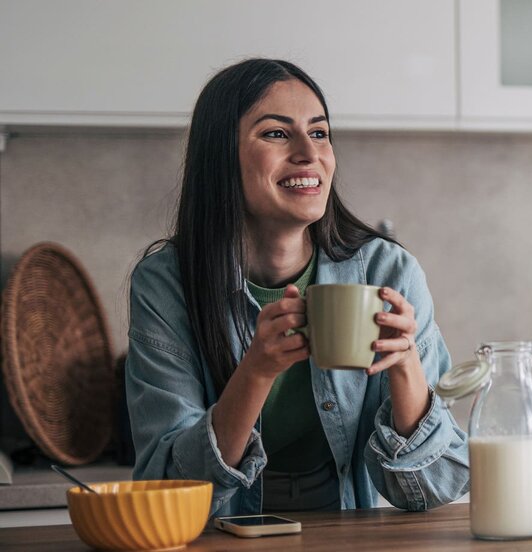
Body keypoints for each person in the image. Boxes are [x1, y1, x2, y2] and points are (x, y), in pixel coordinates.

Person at [125, 58, 469, 516]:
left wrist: (405, 366)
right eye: (276, 133)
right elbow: (167, 490)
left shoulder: (389, 272)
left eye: (320, 132)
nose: (309, 153)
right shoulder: (167, 284)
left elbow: (437, 486)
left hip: (349, 535)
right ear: (221, 154)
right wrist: (256, 371)